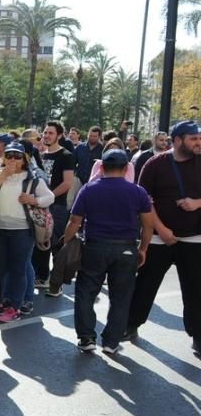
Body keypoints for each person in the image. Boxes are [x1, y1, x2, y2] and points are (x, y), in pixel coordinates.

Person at [64, 149, 153, 354]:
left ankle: (86, 338)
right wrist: (143, 249)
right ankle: (111, 342)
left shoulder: (88, 189)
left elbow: (74, 222)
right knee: (121, 296)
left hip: (95, 246)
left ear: (101, 167)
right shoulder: (138, 191)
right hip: (127, 247)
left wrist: (67, 244)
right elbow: (148, 225)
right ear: (125, 168)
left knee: (86, 292)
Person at [127, 120, 201, 356]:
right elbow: (144, 200)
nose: (198, 143)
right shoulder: (155, 163)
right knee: (145, 284)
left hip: (195, 238)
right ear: (177, 140)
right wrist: (161, 229)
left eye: (199, 138)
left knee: (196, 289)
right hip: (159, 238)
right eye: (193, 138)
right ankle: (131, 325)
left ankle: (198, 335)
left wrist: (197, 203)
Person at [0, 142, 54, 322]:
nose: (13, 160)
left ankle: (15, 306)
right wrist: (2, 176)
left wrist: (34, 200)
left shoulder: (33, 178)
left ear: (25, 159)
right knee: (0, 268)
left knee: (18, 269)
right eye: (9, 155)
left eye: (17, 156)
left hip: (23, 230)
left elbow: (50, 197)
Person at [33, 121, 74, 288]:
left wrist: (48, 197)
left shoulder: (66, 156)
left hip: (56, 206)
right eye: (45, 132)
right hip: (39, 205)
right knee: (40, 243)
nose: (46, 135)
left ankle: (54, 281)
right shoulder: (41, 155)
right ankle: (41, 276)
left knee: (54, 243)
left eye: (50, 133)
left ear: (59, 135)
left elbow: (67, 183)